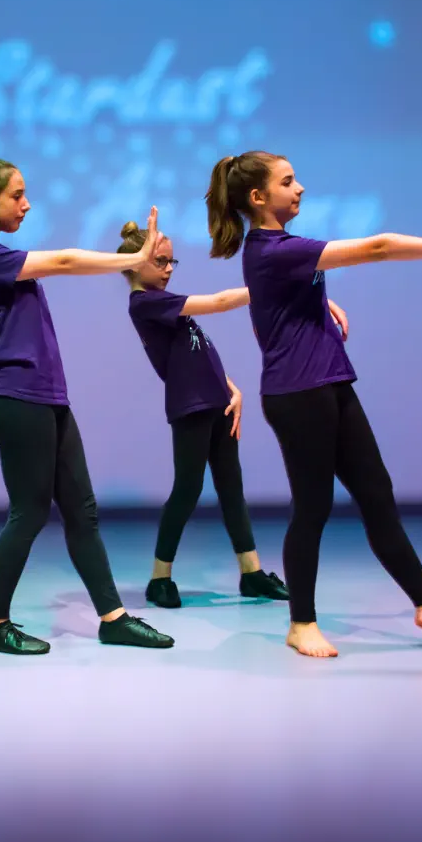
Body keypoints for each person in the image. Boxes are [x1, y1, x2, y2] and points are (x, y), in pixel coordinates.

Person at [207, 150, 422, 657]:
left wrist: (317, 301)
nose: (301, 189)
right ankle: (301, 624)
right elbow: (378, 247)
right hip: (299, 393)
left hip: (331, 382)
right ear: (257, 197)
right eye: (288, 182)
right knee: (312, 507)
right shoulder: (272, 249)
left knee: (377, 492)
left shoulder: (281, 250)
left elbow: (279, 301)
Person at [0, 154, 175, 655]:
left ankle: (112, 618)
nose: (27, 204)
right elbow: (65, 261)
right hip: (17, 398)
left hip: (45, 397)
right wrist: (132, 260)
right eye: (16, 195)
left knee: (81, 511)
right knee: (27, 513)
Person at [116, 219, 298, 607]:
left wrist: (232, 388)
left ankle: (251, 574)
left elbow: (195, 351)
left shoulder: (163, 302)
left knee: (232, 489)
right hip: (191, 407)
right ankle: (159, 579)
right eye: (160, 261)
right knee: (187, 490)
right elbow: (217, 303)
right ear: (134, 265)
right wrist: (268, 287)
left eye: (171, 262)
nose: (168, 269)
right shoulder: (146, 303)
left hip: (217, 403)